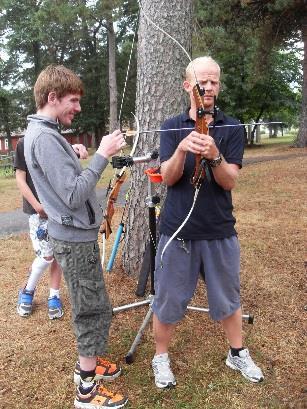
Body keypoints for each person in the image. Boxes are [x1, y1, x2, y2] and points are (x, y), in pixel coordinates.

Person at [151, 56, 264, 388]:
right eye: (203, 82)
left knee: (228, 297)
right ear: (189, 86)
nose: (209, 87)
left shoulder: (232, 126)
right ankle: (161, 357)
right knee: (169, 298)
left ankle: (237, 353)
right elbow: (167, 179)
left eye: (214, 81)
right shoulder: (171, 125)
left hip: (218, 229)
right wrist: (183, 150)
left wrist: (214, 154)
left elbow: (229, 181)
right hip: (178, 231)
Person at [24, 64, 128, 409]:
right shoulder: (44, 138)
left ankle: (92, 363)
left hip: (73, 236)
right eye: (73, 100)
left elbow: (62, 185)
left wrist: (75, 158)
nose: (78, 108)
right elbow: (72, 196)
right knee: (90, 308)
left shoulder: (45, 134)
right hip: (74, 239)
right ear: (52, 98)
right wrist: (101, 156)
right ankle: (86, 389)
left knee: (93, 303)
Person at [15, 137, 88, 319]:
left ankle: (53, 295)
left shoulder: (55, 140)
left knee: (58, 254)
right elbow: (20, 179)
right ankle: (28, 289)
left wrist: (77, 148)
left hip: (59, 209)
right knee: (46, 256)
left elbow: (71, 158)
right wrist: (37, 206)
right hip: (38, 212)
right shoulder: (24, 143)